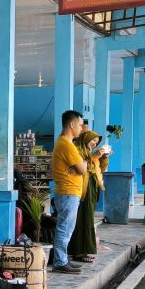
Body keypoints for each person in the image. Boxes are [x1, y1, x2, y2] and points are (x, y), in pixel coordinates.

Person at [50, 110, 88, 274]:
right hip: (68, 192)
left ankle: (62, 259)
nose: (81, 128)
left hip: (68, 192)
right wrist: (84, 163)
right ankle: (60, 262)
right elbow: (82, 169)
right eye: (80, 125)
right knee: (64, 228)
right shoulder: (66, 144)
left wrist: (81, 165)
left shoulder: (64, 143)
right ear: (72, 125)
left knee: (66, 228)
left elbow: (79, 169)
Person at [69, 130, 110, 263]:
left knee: (88, 219)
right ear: (86, 139)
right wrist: (95, 156)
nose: (94, 143)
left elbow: (99, 169)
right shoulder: (77, 151)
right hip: (81, 188)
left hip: (92, 187)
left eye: (96, 142)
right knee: (83, 219)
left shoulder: (88, 152)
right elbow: (82, 167)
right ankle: (79, 251)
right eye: (93, 140)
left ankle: (84, 249)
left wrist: (104, 158)